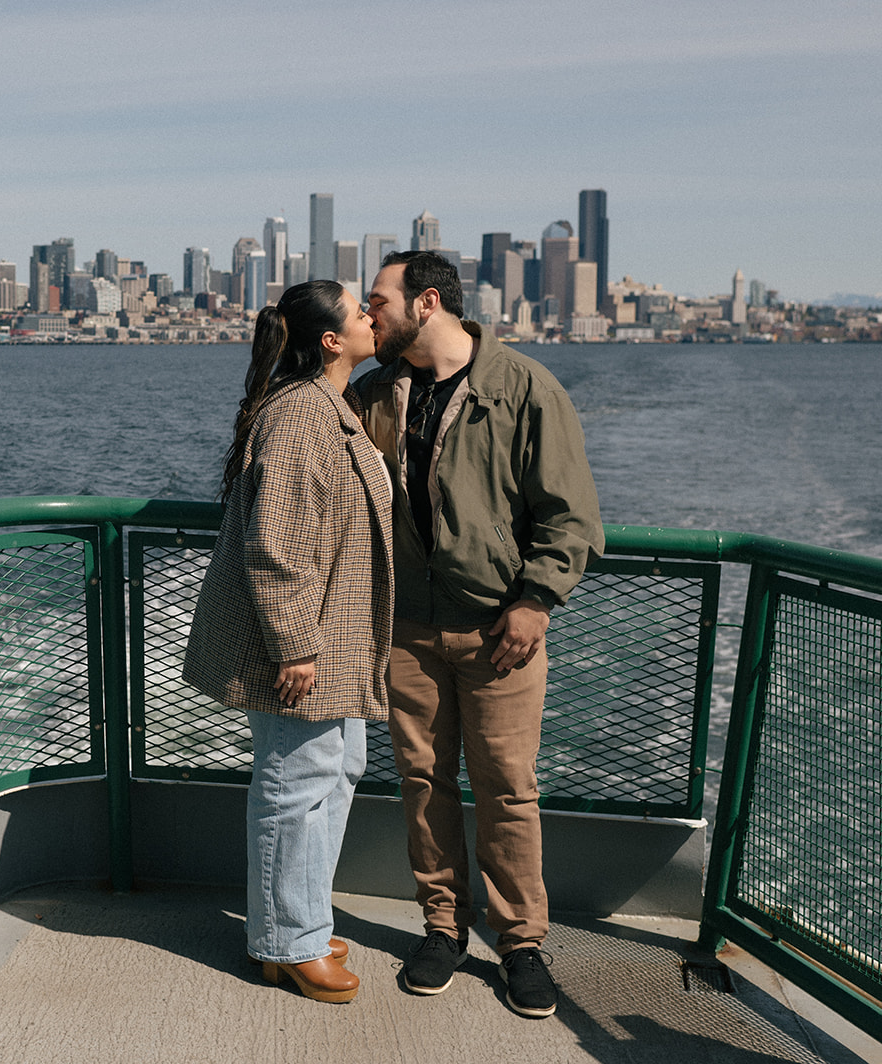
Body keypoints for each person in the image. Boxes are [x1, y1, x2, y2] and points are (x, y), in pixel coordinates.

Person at [354, 251, 603, 1018]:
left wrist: (535, 602)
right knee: (422, 781)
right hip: (407, 630)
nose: (371, 319)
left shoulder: (525, 390)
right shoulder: (374, 393)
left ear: (427, 302)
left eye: (379, 303)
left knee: (507, 787)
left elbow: (571, 517)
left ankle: (521, 942)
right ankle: (441, 926)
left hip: (501, 632)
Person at [183, 279, 393, 1004]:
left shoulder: (328, 407)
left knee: (333, 774)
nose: (372, 317)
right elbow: (277, 545)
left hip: (333, 636)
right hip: (304, 644)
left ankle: (299, 922)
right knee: (296, 784)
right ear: (331, 340)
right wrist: (294, 646)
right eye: (360, 312)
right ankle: (285, 943)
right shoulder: (303, 414)